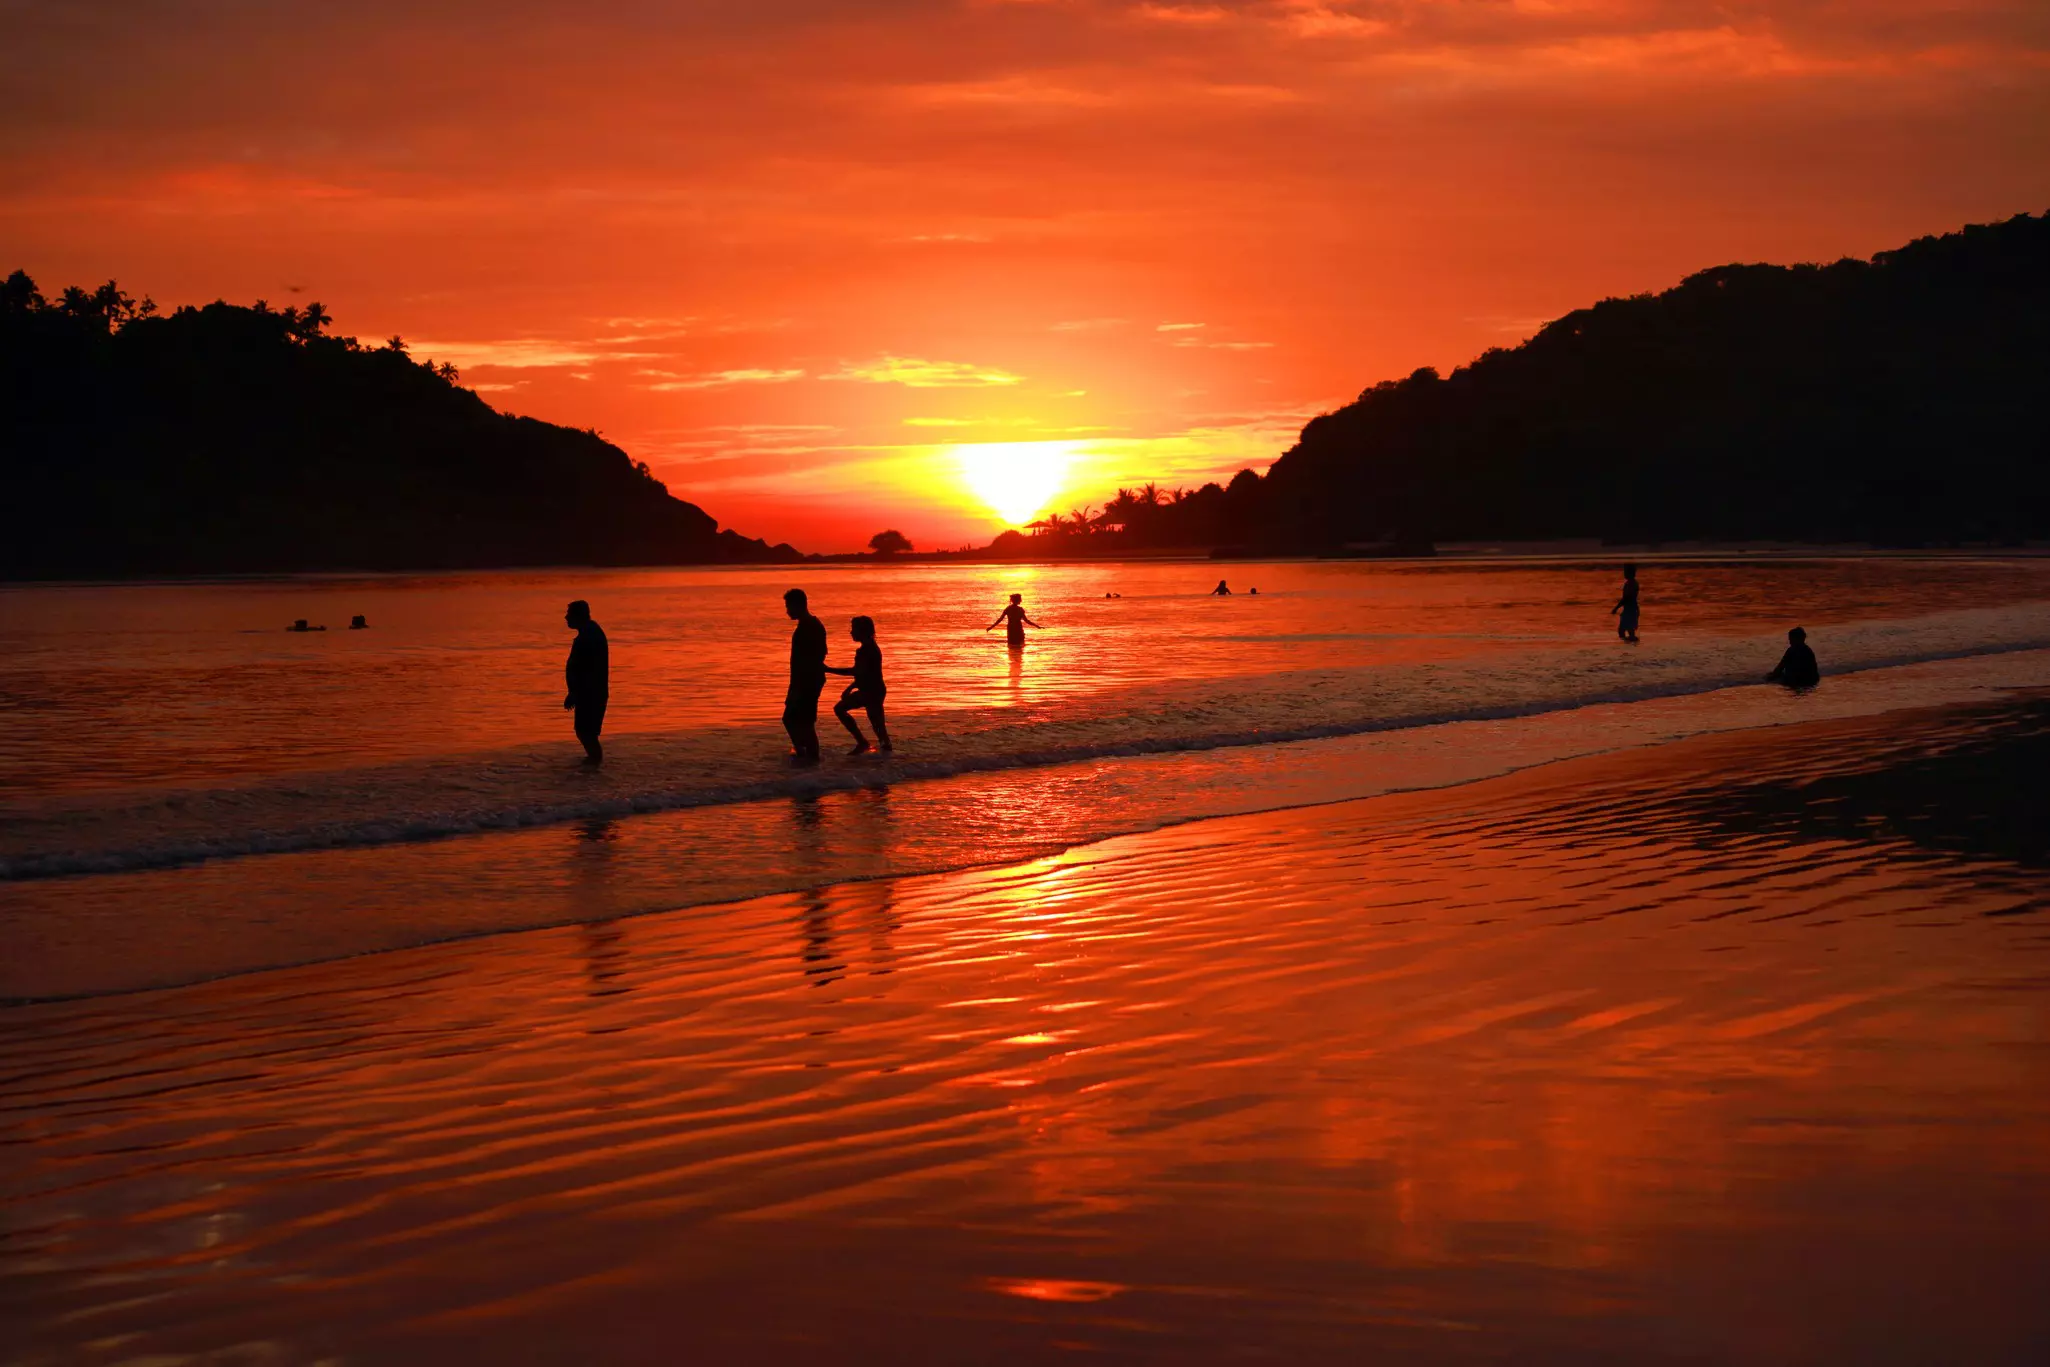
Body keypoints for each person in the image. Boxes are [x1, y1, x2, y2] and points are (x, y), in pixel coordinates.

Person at [826, 615, 891, 754]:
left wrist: (829, 669)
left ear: (862, 631)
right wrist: (850, 688)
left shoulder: (868, 650)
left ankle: (866, 745)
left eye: (854, 629)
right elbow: (862, 674)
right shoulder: (868, 648)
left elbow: (856, 671)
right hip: (871, 690)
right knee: (878, 727)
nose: (851, 632)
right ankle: (869, 746)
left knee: (878, 727)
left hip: (872, 692)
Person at [783, 588, 827, 762]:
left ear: (798, 605)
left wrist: (802, 685)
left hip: (808, 681)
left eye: (788, 606)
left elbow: (818, 654)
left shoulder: (811, 627)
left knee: (803, 721)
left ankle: (810, 757)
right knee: (792, 718)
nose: (787, 611)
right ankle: (804, 753)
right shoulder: (807, 626)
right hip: (802, 680)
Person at [562, 599, 608, 765]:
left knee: (586, 733)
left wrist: (574, 692)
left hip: (590, 693)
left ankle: (594, 766)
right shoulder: (589, 633)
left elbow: (587, 669)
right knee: (585, 732)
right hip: (589, 692)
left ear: (578, 616)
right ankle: (594, 766)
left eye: (569, 614)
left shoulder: (589, 636)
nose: (566, 618)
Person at [1611, 564, 1640, 643]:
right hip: (1629, 608)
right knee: (1624, 629)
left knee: (1627, 629)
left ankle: (1631, 644)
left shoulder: (1632, 584)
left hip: (1631, 609)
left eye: (1626, 572)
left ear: (1632, 573)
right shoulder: (1629, 583)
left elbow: (1626, 598)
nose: (1625, 574)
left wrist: (1616, 608)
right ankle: (1629, 644)